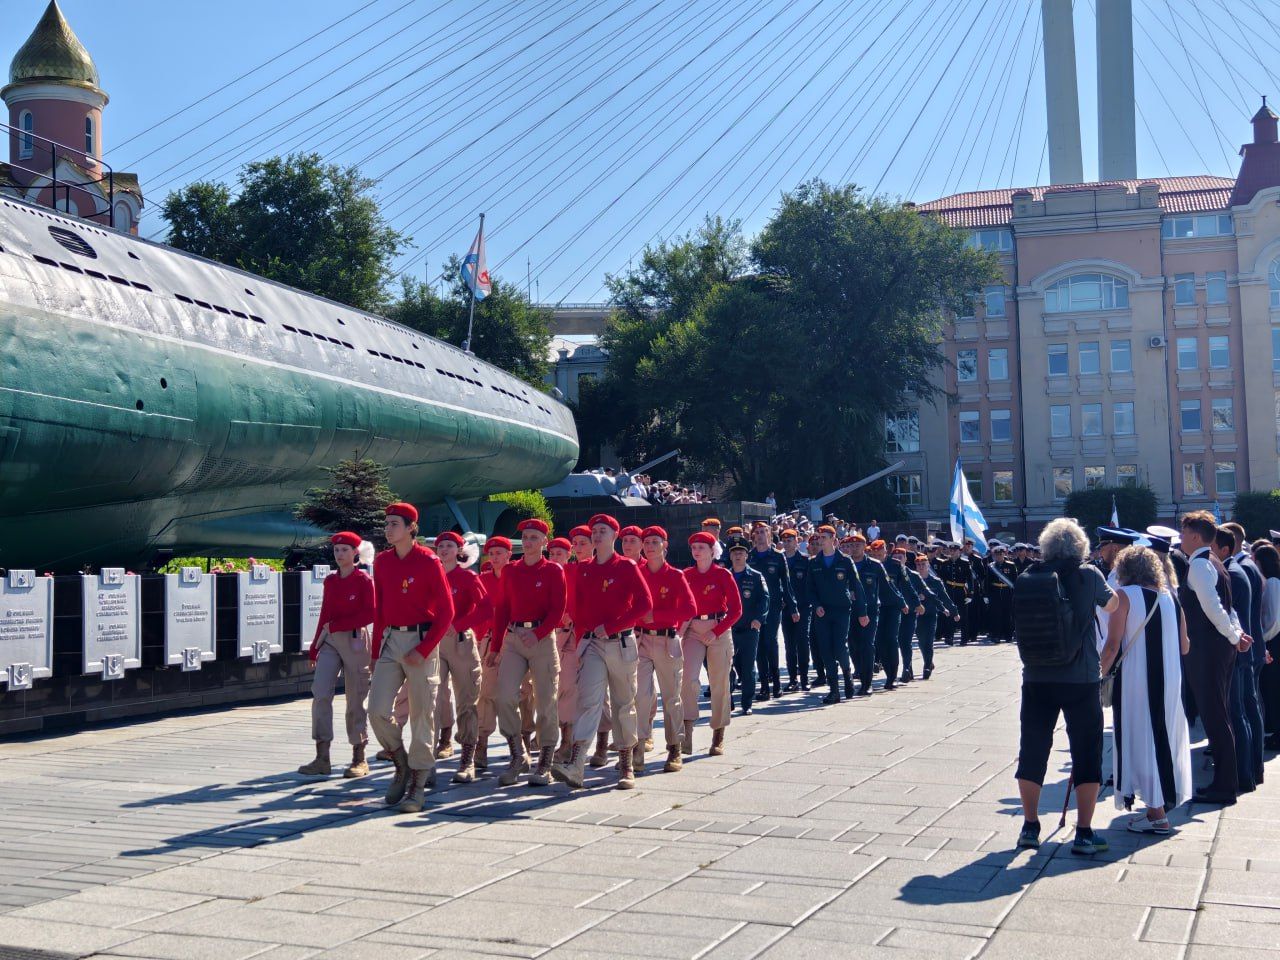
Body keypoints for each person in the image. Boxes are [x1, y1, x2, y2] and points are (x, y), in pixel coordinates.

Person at [1014, 517, 1119, 856]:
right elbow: (1113, 604)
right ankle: (1084, 833)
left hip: (1037, 675)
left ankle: (1030, 827)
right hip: (1080, 678)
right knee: (1086, 751)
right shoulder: (1089, 575)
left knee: (1032, 749)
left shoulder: (1030, 576)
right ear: (1081, 547)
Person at [551, 514, 652, 790]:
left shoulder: (627, 566)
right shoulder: (583, 568)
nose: (596, 535)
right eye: (594, 531)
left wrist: (612, 626)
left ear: (614, 536)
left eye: (602, 531)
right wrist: (582, 637)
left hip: (621, 643)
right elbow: (578, 607)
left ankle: (626, 764)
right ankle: (577, 764)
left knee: (623, 703)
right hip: (592, 644)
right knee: (588, 701)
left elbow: (644, 604)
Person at [368, 502, 455, 814]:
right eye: (387, 523)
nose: (388, 529)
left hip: (421, 640)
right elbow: (379, 610)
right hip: (391, 641)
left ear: (410, 528)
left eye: (394, 524)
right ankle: (401, 762)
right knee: (376, 710)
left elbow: (447, 612)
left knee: (421, 715)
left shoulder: (429, 561)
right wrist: (375, 652)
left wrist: (424, 648)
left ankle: (417, 785)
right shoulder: (382, 562)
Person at [1099, 545, 1192, 834]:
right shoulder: (1170, 597)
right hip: (1170, 679)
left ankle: (1157, 813)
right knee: (1163, 736)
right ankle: (1160, 804)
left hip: (1137, 680)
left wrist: (1097, 675)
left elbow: (1112, 645)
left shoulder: (1124, 596)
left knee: (1141, 739)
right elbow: (1185, 646)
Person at [1176, 511, 1251, 805]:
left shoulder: (1199, 565)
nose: (1181, 538)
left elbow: (1214, 608)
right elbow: (1226, 608)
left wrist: (1234, 636)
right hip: (1215, 648)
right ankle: (1225, 782)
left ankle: (1224, 786)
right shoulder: (1214, 561)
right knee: (1220, 715)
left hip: (1207, 650)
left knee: (1215, 717)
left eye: (1184, 533)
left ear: (1196, 536)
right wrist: (1237, 634)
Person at [491, 519, 567, 787]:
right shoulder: (511, 571)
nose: (528, 542)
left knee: (546, 702)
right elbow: (502, 609)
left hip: (541, 639)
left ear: (545, 541)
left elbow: (558, 609)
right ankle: (518, 754)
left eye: (534, 537)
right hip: (514, 638)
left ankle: (545, 761)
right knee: (504, 696)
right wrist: (495, 646)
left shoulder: (553, 570)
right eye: (524, 537)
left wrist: (538, 633)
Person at [300, 532, 375, 779]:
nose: (339, 554)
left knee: (355, 699)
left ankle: (359, 757)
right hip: (330, 640)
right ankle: (322, 757)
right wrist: (315, 647)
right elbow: (325, 613)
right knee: (321, 693)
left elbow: (370, 614)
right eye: (336, 550)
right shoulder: (331, 581)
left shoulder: (363, 580)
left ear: (355, 553)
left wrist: (339, 625)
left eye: (344, 550)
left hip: (355, 640)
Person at [636, 526, 696, 774]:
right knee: (640, 696)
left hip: (666, 640)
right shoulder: (637, 573)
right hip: (641, 640)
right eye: (646, 542)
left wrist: (658, 615)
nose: (650, 546)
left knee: (671, 697)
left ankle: (674, 747)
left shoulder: (675, 575)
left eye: (655, 542)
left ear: (664, 546)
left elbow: (690, 608)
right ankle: (638, 746)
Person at [431, 531, 490, 783]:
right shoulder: (432, 577)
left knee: (466, 700)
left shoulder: (468, 577)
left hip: (460, 642)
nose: (444, 550)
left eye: (449, 546)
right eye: (440, 546)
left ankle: (467, 759)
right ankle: (428, 760)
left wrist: (460, 624)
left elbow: (486, 608)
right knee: (432, 699)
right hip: (434, 642)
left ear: (459, 551)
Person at [681, 531, 743, 756]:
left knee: (719, 683)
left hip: (719, 628)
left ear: (712, 551)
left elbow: (736, 610)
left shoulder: (723, 574)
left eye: (701, 547)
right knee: (687, 679)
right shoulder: (686, 574)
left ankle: (718, 735)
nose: (696, 551)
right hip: (692, 629)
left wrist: (716, 632)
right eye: (694, 547)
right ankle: (686, 731)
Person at [1211, 526, 1260, 794]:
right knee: (1244, 712)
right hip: (1243, 649)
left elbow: (1233, 617)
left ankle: (1244, 774)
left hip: (1238, 651)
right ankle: (1249, 772)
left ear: (1225, 549)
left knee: (1238, 714)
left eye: (1211, 547)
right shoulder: (1237, 569)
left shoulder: (1232, 573)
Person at [808, 526, 867, 704]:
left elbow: (857, 586)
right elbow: (810, 589)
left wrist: (862, 612)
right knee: (826, 650)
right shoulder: (814, 562)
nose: (820, 540)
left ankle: (847, 676)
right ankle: (834, 690)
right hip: (822, 612)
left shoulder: (845, 561)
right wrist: (816, 605)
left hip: (841, 610)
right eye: (819, 537)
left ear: (834, 540)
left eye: (824, 537)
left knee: (840, 647)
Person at [473, 538, 510, 772]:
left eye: (499, 553)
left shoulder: (516, 576)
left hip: (514, 639)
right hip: (488, 640)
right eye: (491, 553)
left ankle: (522, 741)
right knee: (485, 692)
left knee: (521, 694)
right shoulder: (483, 579)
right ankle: (482, 743)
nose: (494, 557)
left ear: (508, 555)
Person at [747, 522, 796, 701]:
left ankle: (776, 683)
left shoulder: (778, 556)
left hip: (773, 606)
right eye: (757, 532)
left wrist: (793, 607)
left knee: (770, 642)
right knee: (759, 645)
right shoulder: (749, 556)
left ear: (769, 534)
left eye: (763, 532)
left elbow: (786, 584)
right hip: (754, 608)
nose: (760, 535)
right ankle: (764, 687)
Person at [727, 536, 768, 716]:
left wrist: (759, 619)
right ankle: (728, 700)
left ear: (746, 555)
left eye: (741, 553)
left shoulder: (756, 577)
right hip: (728, 629)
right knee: (728, 666)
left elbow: (764, 599)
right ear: (730, 556)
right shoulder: (725, 576)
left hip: (749, 629)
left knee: (748, 666)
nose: (738, 556)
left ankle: (747, 703)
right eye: (734, 553)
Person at [914, 551, 958, 679]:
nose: (921, 567)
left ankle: (927, 666)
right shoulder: (912, 580)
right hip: (917, 615)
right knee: (921, 641)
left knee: (928, 641)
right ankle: (929, 660)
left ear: (928, 565)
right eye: (918, 565)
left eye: (923, 564)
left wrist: (954, 612)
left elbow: (944, 597)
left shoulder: (935, 581)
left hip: (931, 614)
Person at [872, 540, 910, 690]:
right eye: (874, 554)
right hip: (877, 607)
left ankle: (892, 676)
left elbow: (906, 585)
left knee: (891, 639)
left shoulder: (895, 565)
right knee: (880, 641)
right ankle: (887, 670)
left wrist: (910, 602)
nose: (877, 556)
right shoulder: (870, 565)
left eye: (879, 553)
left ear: (885, 551)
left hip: (893, 607)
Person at [780, 528, 813, 691]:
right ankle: (793, 679)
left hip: (803, 607)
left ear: (796, 542)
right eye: (784, 541)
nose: (787, 544)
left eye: (790, 541)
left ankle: (805, 678)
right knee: (789, 644)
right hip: (786, 608)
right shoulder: (779, 560)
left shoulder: (805, 561)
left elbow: (811, 584)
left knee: (802, 642)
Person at [1254, 542, 1280, 748]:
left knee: (1273, 689)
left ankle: (1277, 735)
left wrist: (1262, 639)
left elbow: (1274, 620)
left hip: (1274, 641)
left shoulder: (1272, 582)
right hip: (1273, 639)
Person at [893, 548, 927, 683]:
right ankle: (906, 669)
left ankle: (906, 668)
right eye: (895, 557)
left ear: (905, 559)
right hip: (894, 612)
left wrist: (921, 597)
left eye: (900, 557)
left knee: (905, 641)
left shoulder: (913, 575)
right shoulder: (888, 572)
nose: (897, 560)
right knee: (894, 642)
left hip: (909, 613)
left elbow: (924, 589)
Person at [986, 543, 1018, 643]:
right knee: (996, 615)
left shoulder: (1011, 565)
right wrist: (986, 595)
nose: (998, 556)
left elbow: (1015, 580)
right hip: (995, 592)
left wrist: (1015, 593)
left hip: (1007, 592)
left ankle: (1008, 635)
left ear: (1004, 554)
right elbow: (987, 581)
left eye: (1000, 554)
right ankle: (996, 635)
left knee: (1007, 614)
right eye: (996, 555)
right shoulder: (991, 566)